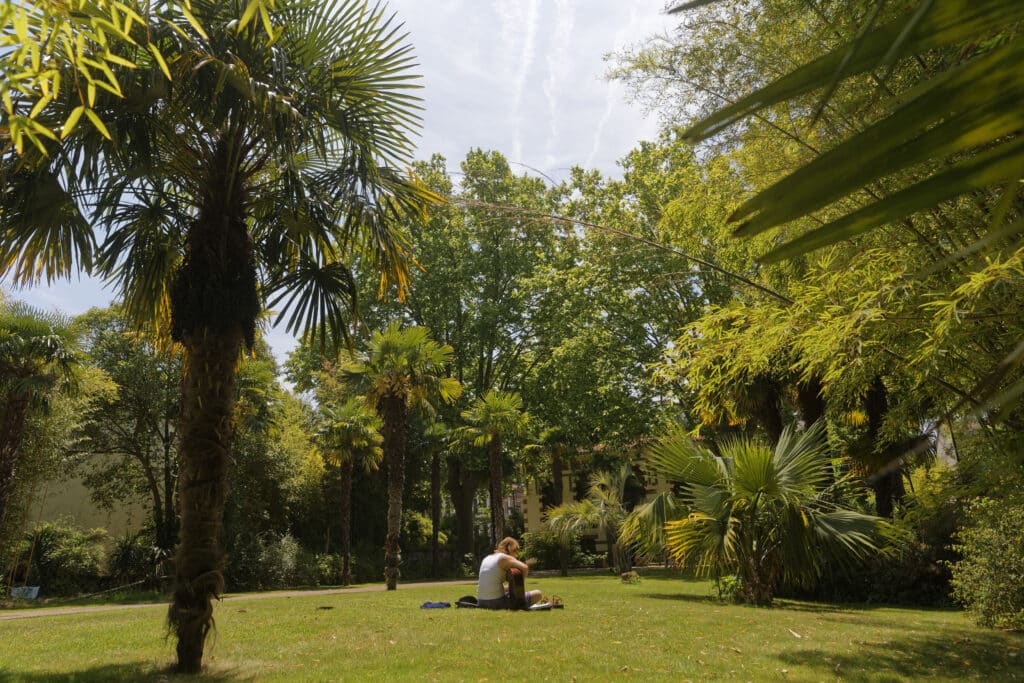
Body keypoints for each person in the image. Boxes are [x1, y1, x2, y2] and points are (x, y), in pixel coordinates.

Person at [477, 537, 543, 609]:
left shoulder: (487, 558)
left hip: (481, 602)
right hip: (496, 603)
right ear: (509, 548)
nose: (516, 555)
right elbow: (525, 568)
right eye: (515, 551)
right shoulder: (504, 558)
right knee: (538, 594)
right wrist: (519, 588)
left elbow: (493, 583)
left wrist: (510, 588)